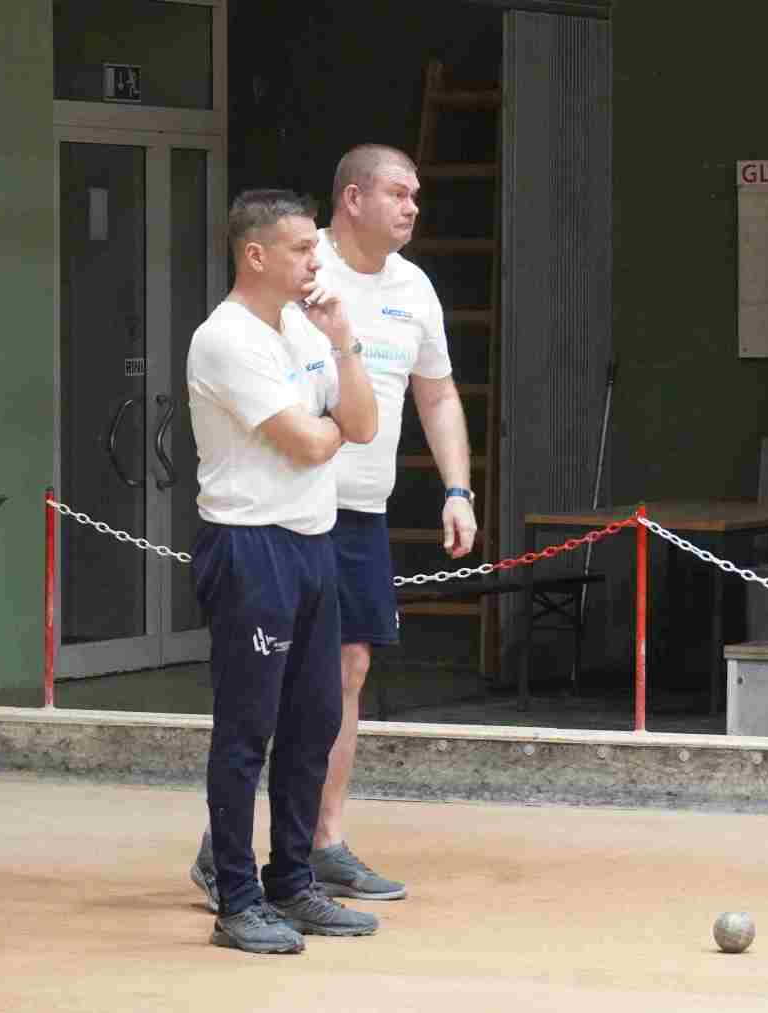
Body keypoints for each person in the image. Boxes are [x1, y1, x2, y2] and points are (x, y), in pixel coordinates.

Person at [191, 145, 476, 911]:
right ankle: (230, 856)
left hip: (353, 513)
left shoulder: (408, 290)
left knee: (339, 678)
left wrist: (457, 488)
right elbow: (305, 426)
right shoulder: (286, 285)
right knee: (262, 698)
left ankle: (318, 843)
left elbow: (429, 397)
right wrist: (329, 430)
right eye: (398, 193)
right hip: (270, 522)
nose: (413, 207)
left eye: (417, 194)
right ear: (353, 198)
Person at [186, 190, 381, 953]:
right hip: (249, 545)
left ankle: (293, 882)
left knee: (315, 719)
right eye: (302, 248)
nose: (315, 261)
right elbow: (306, 442)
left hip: (311, 542)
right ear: (256, 254)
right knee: (248, 728)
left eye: (315, 248)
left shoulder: (306, 328)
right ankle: (237, 899)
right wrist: (330, 430)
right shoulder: (225, 339)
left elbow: (362, 424)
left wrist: (344, 341)